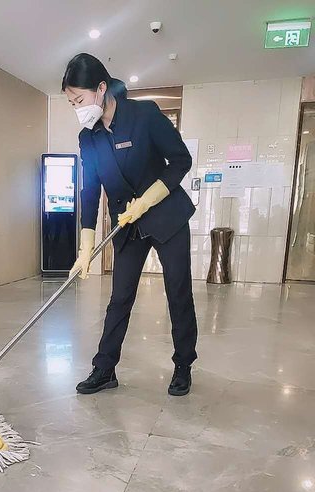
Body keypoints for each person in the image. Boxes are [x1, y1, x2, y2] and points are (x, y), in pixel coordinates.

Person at [62, 53, 198, 397]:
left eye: (79, 99)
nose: (77, 108)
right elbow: (90, 189)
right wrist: (85, 245)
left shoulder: (144, 115)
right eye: (71, 103)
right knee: (120, 296)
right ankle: (104, 368)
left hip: (166, 215)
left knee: (178, 292)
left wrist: (148, 199)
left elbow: (181, 160)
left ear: (101, 88)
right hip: (127, 223)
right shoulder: (88, 137)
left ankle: (183, 364)